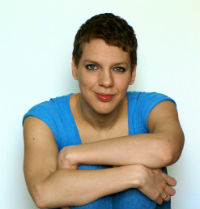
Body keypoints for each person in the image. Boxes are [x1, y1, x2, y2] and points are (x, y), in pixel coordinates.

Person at [23, 13, 184, 209]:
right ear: (75, 68)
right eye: (92, 67)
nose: (106, 81)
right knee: (88, 175)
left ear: (133, 73)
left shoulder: (154, 106)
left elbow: (166, 149)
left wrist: (72, 155)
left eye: (118, 69)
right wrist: (136, 175)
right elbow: (44, 193)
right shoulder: (43, 119)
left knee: (87, 181)